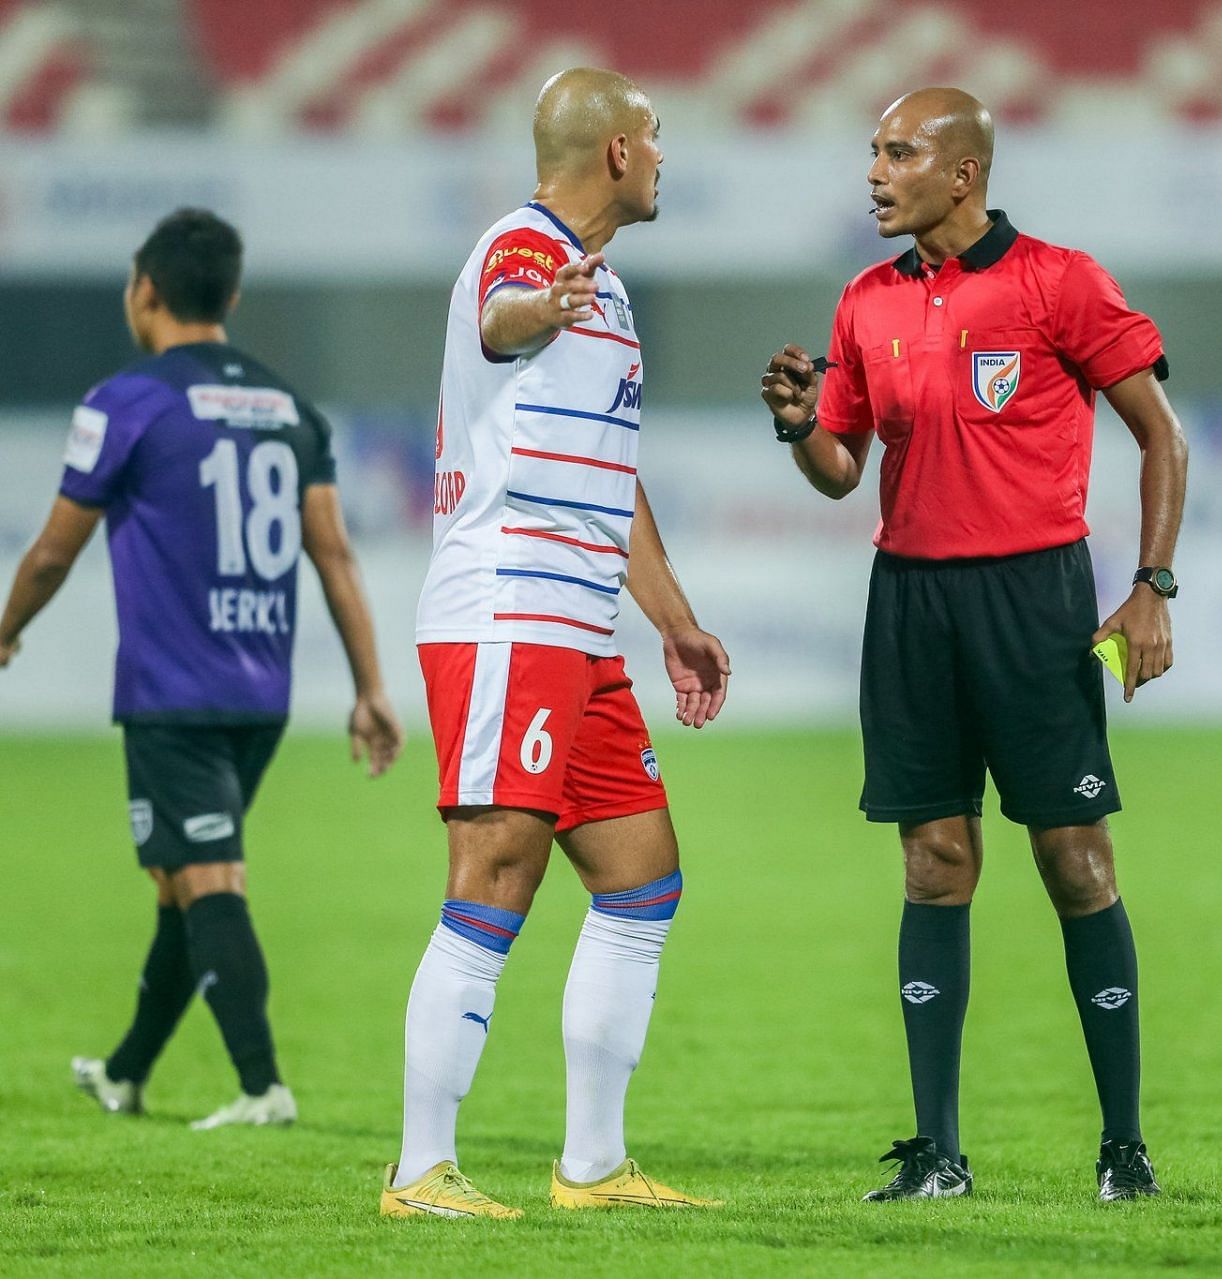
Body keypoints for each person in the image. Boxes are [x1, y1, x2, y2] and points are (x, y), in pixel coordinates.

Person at [759, 87, 1188, 1203]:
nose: (873, 172)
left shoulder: (1058, 281)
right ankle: (939, 1154)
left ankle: (1123, 1147)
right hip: (911, 602)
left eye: (896, 152)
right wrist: (804, 425)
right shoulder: (865, 301)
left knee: (1075, 861)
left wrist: (1150, 585)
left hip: (1036, 604)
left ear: (961, 173)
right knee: (934, 863)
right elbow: (843, 471)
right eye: (872, 151)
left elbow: (1161, 436)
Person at [384, 68, 729, 1220]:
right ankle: (419, 1169)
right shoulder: (523, 251)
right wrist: (546, 308)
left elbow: (611, 481)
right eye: (659, 135)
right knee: (495, 874)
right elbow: (503, 317)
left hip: (580, 628)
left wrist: (673, 623)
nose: (667, 156)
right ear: (619, 151)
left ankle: (591, 1165)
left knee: (642, 879)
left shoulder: (609, 292)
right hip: (506, 615)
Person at [0, 208, 404, 1130]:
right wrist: (369, 687)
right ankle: (127, 1071)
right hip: (259, 690)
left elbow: (56, 551)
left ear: (145, 289)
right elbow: (334, 555)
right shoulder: (292, 409)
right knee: (182, 879)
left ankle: (263, 1085)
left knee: (209, 878)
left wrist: (7, 627)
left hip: (171, 691)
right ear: (231, 294)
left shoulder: (126, 402)